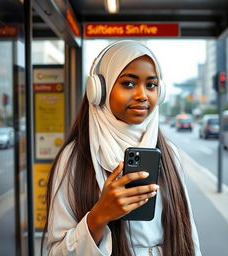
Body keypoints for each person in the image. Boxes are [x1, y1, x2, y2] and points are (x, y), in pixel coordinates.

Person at [42, 40, 202, 256]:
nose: (142, 95)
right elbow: (56, 252)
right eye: (128, 83)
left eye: (151, 85)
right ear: (98, 90)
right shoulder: (75, 158)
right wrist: (99, 216)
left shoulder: (168, 152)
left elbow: (188, 232)